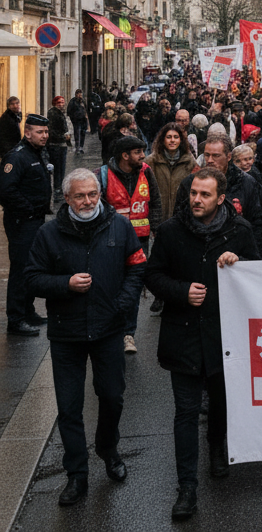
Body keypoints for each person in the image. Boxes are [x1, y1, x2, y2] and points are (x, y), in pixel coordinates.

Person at [24, 168, 146, 506]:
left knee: (112, 396)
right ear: (67, 198)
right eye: (80, 196)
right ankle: (77, 474)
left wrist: (122, 304)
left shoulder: (119, 226)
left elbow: (137, 266)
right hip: (67, 333)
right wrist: (65, 284)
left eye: (93, 194)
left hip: (108, 330)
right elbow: (31, 278)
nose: (88, 201)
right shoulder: (49, 233)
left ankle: (108, 449)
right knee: (69, 407)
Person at [145, 167, 259, 521]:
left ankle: (217, 446)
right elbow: (152, 275)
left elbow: (259, 275)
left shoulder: (240, 231)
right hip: (183, 335)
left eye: (205, 194)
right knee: (186, 411)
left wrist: (239, 263)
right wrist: (181, 291)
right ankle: (187, 487)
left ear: (221, 198)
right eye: (194, 192)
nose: (196, 199)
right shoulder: (171, 231)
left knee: (221, 403)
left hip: (225, 336)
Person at [99, 136, 158, 353]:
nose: (143, 156)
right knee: (111, 284)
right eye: (138, 152)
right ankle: (110, 329)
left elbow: (155, 201)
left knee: (133, 287)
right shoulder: (103, 175)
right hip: (111, 241)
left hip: (139, 241)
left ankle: (128, 334)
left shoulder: (146, 172)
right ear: (125, 156)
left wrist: (156, 228)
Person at [175, 133, 262, 257]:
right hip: (197, 252)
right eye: (207, 155)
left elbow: (257, 225)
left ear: (228, 156)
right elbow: (178, 221)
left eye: (216, 156)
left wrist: (249, 259)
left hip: (233, 255)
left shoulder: (246, 183)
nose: (210, 160)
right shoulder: (190, 183)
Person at [1, 114, 52, 335]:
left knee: (32, 267)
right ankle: (16, 319)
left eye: (46, 132)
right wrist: (28, 209)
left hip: (35, 220)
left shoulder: (36, 152)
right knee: (20, 269)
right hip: (22, 222)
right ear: (27, 132)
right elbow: (6, 190)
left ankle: (28, 311)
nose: (45, 136)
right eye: (40, 132)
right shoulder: (17, 156)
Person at [48, 95, 72, 200]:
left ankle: (60, 189)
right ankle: (57, 191)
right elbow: (51, 130)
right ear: (54, 103)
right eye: (59, 102)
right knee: (57, 169)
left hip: (62, 144)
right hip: (55, 145)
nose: (61, 104)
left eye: (62, 102)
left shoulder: (60, 113)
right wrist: (63, 137)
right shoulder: (53, 113)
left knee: (61, 168)